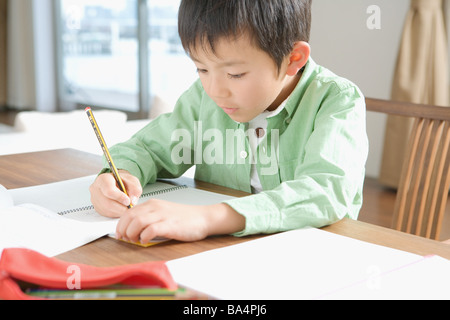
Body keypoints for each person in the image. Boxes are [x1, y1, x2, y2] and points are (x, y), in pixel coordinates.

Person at [89, 0, 368, 245]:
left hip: (310, 255)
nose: (215, 90)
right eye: (201, 68)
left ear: (293, 59)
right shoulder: (203, 98)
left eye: (235, 74)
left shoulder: (337, 101)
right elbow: (149, 148)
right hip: (216, 253)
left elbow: (325, 191)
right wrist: (119, 174)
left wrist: (207, 217)